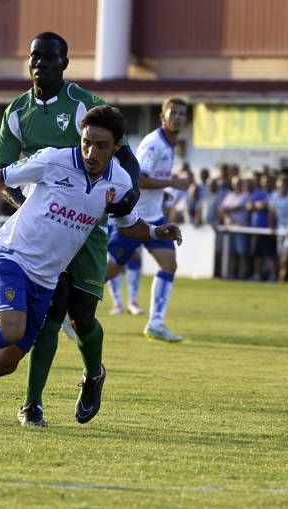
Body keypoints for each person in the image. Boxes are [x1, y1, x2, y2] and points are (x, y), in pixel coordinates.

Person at [0, 105, 181, 422]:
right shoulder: (54, 160)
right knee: (10, 329)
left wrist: (154, 231)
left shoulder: (118, 182)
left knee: (6, 361)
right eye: (86, 142)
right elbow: (1, 178)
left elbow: (127, 221)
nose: (91, 152)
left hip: (46, 279)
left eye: (101, 145)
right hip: (12, 255)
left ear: (117, 148)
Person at [0, 32, 142, 427]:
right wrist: (31, 211)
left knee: (83, 318)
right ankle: (32, 404)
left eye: (49, 57)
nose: (40, 63)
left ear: (65, 63)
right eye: (34, 57)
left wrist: (133, 191)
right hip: (44, 234)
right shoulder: (16, 112)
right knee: (49, 317)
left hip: (87, 228)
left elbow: (123, 151)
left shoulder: (83, 104)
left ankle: (94, 375)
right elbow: (4, 174)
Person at [106, 97, 188, 342]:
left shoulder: (170, 144)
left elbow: (154, 182)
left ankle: (156, 322)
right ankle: (68, 307)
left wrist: (165, 195)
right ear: (162, 116)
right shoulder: (153, 144)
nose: (178, 117)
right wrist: (172, 182)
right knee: (109, 271)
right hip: (133, 218)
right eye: (173, 113)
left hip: (155, 217)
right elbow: (139, 179)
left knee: (169, 265)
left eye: (182, 114)